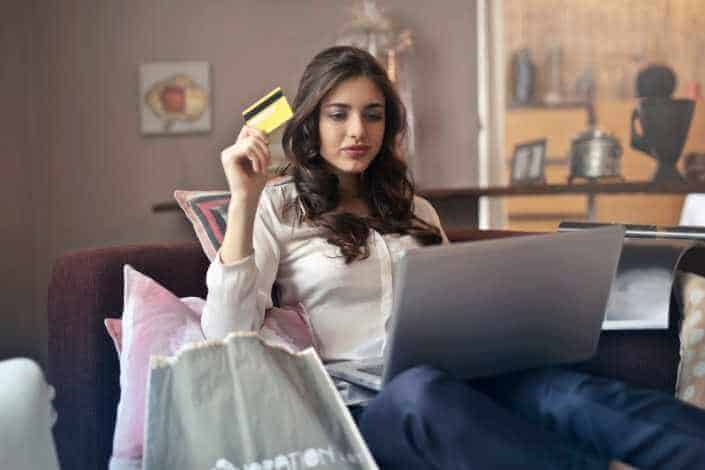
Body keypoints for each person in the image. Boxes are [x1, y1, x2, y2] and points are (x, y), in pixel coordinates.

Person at [202, 46, 705, 470]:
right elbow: (225, 335)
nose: (358, 130)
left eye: (373, 114)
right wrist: (243, 203)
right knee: (420, 394)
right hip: (371, 408)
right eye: (339, 114)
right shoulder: (278, 207)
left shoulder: (413, 208)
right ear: (311, 119)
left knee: (567, 393)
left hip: (464, 380)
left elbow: (453, 306)